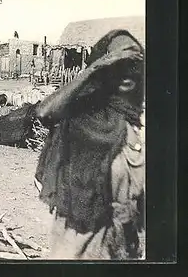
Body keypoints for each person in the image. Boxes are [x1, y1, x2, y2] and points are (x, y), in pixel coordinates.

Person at [34, 30, 145, 260]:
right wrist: (96, 68)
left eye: (133, 65)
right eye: (119, 65)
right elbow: (44, 112)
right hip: (79, 242)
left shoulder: (136, 124)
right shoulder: (84, 117)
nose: (127, 73)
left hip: (123, 246)